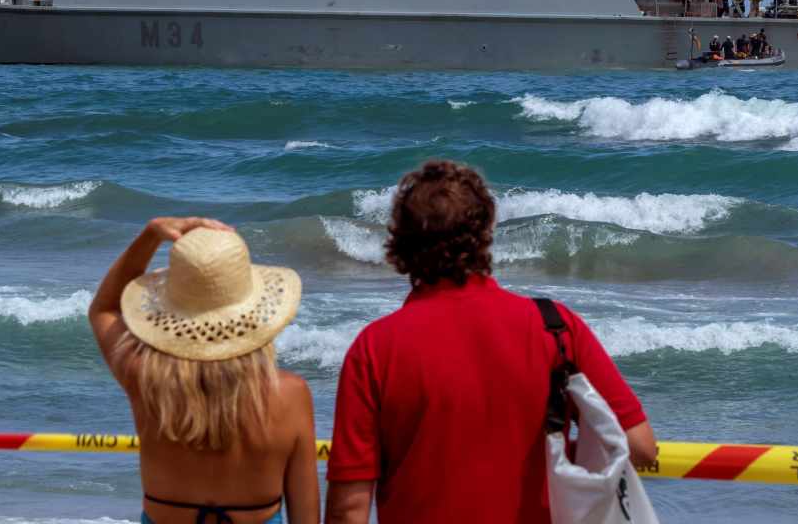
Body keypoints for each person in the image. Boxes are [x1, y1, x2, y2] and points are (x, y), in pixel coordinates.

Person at [324, 162, 655, 524]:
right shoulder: (556, 327)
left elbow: (349, 508)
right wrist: (556, 455)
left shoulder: (375, 347)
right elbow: (639, 446)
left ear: (399, 241)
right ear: (487, 229)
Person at [90, 218, 319, 524]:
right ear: (256, 317)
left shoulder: (146, 381)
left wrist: (152, 234)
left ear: (172, 314)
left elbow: (104, 309)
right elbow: (306, 517)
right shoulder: (289, 394)